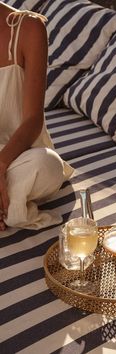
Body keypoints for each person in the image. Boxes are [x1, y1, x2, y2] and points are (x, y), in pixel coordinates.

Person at [0, 2, 74, 230]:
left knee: (48, 165)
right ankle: (10, 206)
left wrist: (1, 165)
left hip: (19, 155)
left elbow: (33, 120)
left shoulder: (28, 28)